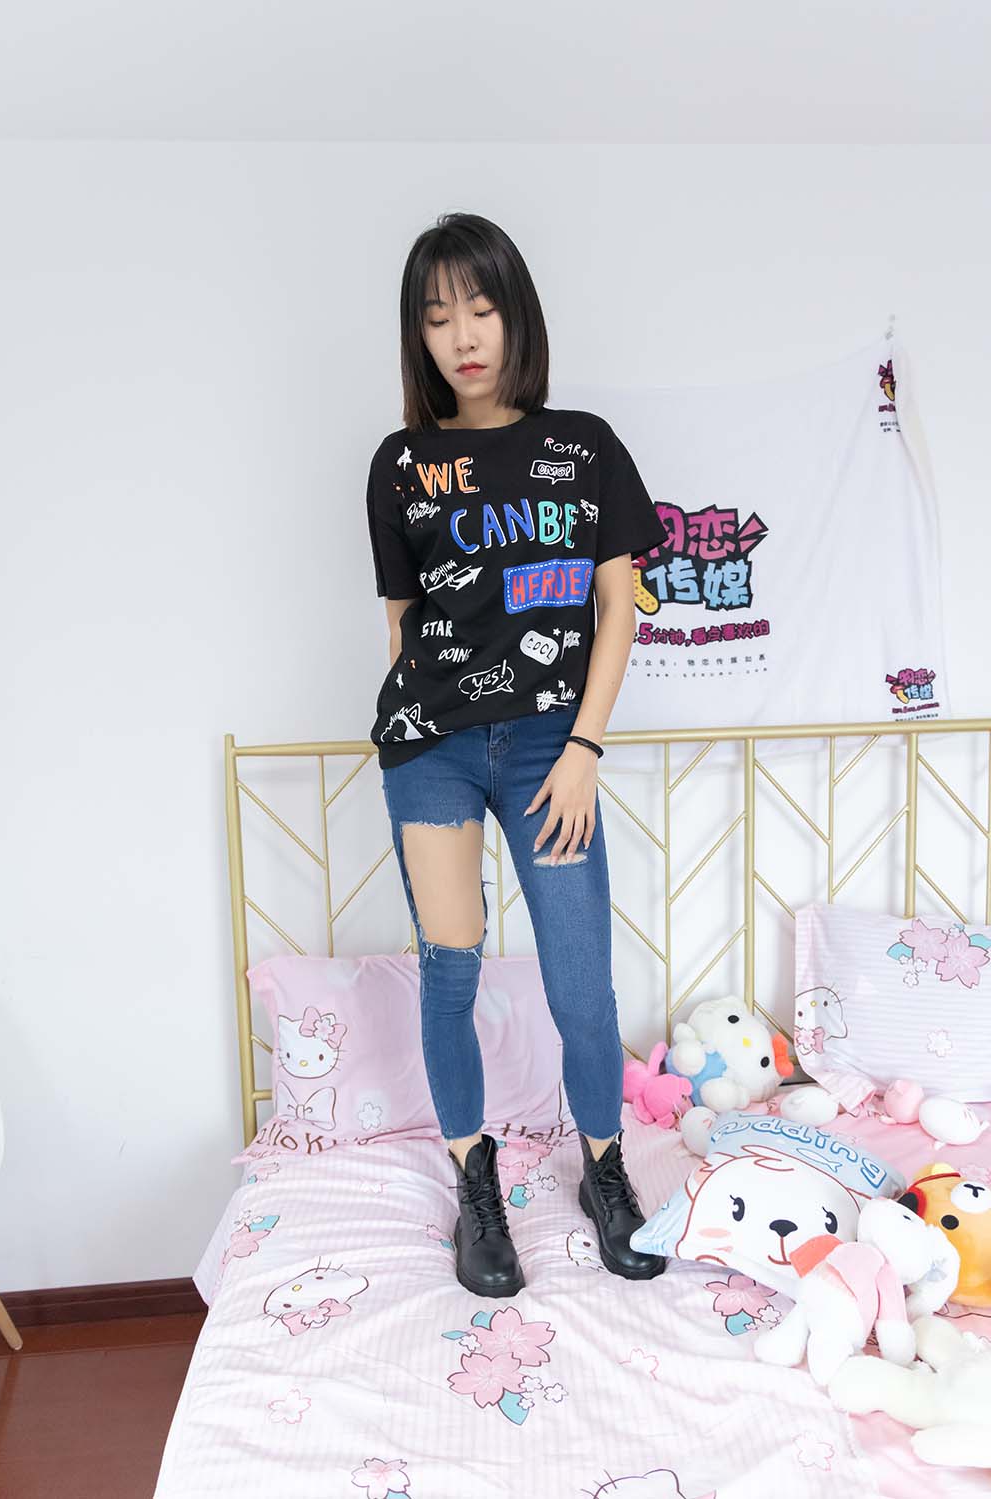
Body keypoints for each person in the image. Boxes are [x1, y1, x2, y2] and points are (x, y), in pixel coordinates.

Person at [366, 211, 669, 1297]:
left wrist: (582, 746)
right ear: (419, 336)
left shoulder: (582, 447)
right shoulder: (402, 465)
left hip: (551, 744)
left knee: (580, 986)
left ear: (515, 316)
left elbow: (617, 607)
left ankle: (603, 1168)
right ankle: (474, 1180)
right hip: (433, 751)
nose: (462, 335)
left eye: (481, 308)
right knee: (449, 969)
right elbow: (403, 624)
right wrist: (424, 730)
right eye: (437, 316)